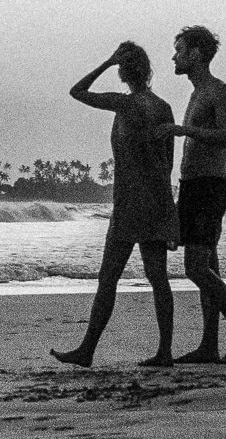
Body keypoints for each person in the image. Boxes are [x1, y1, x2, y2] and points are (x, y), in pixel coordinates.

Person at [50, 42, 179, 368]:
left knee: (108, 278)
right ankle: (164, 352)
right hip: (157, 200)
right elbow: (169, 164)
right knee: (158, 277)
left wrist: (106, 61)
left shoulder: (124, 104)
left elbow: (77, 91)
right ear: (147, 70)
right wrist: (168, 207)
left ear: (124, 71)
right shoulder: (163, 108)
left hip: (130, 203)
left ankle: (88, 349)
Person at [166, 26, 226, 364]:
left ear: (196, 54)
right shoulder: (195, 93)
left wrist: (183, 130)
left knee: (195, 268)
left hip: (208, 187)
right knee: (208, 265)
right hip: (191, 186)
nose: (174, 56)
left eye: (180, 50)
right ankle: (209, 344)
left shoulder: (218, 90)